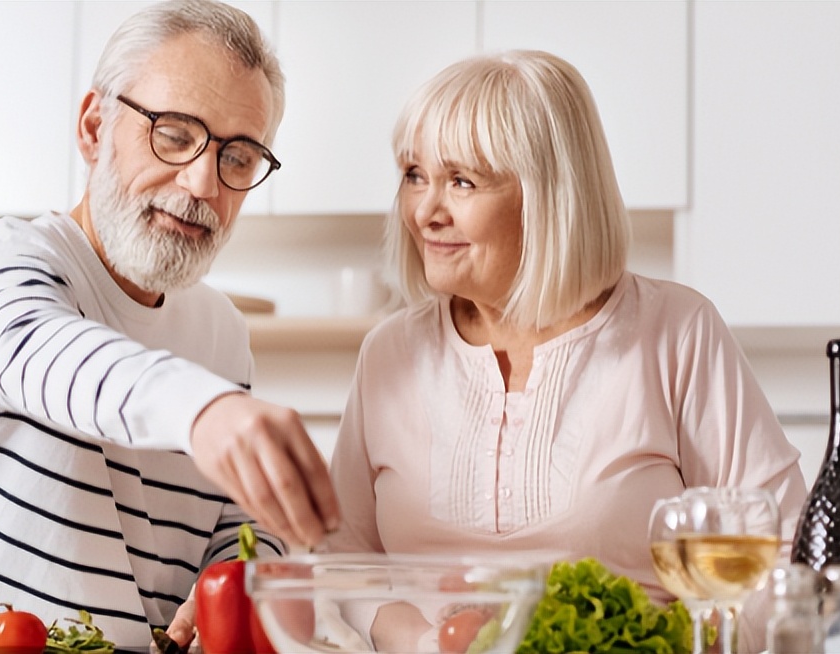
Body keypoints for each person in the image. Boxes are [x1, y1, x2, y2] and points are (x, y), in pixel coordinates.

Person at [322, 50, 807, 654]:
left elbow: (784, 546)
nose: (425, 211)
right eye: (415, 175)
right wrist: (423, 640)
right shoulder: (389, 352)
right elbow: (342, 556)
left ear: (550, 196)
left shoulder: (676, 332)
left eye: (462, 182)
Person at [0, 0, 339, 646]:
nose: (201, 181)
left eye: (237, 157)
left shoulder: (222, 334)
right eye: (175, 134)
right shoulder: (3, 266)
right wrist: (203, 411)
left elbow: (233, 529)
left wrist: (246, 564)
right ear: (95, 128)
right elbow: (48, 357)